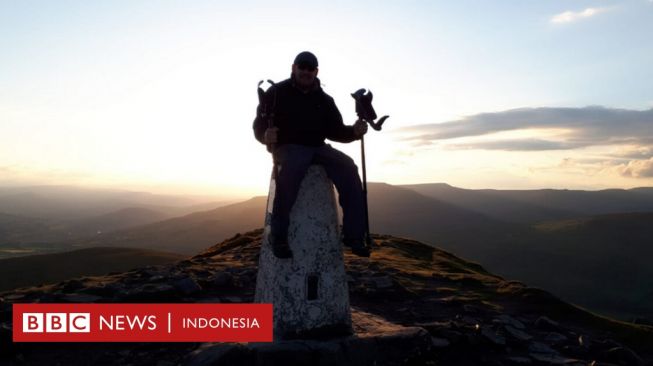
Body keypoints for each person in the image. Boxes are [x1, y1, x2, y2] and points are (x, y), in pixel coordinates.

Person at [253, 51, 371, 259]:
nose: (306, 71)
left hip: (318, 147)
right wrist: (265, 135)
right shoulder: (276, 92)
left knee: (348, 167)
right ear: (294, 67)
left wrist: (353, 132)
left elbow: (335, 131)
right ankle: (279, 237)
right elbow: (259, 124)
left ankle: (354, 235)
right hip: (288, 147)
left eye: (310, 68)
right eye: (302, 66)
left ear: (316, 71)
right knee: (293, 169)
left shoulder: (325, 100)